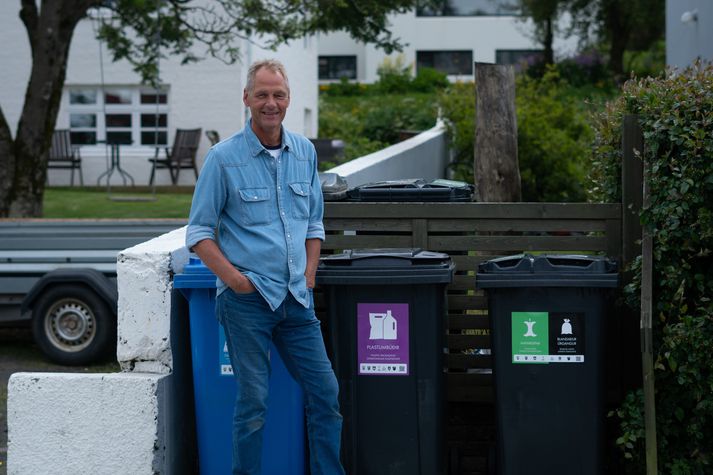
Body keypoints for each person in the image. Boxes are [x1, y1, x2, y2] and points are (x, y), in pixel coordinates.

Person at [185, 59, 344, 475]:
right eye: (262, 95)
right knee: (253, 402)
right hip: (247, 303)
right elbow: (199, 231)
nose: (270, 103)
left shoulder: (304, 152)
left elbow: (314, 221)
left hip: (296, 298)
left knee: (326, 395)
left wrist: (308, 275)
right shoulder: (223, 159)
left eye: (278, 95)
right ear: (247, 99)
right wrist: (236, 281)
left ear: (288, 99)